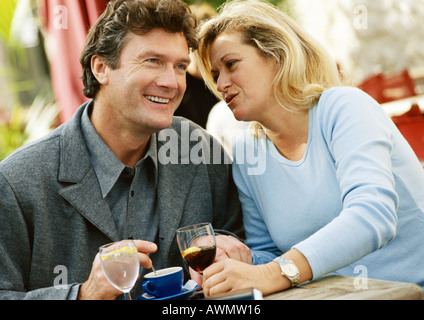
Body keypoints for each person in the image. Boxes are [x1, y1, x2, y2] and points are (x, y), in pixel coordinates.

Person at [0, 0, 248, 300]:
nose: (171, 82)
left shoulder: (199, 149)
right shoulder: (16, 183)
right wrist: (84, 294)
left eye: (180, 66)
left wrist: (229, 252)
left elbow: (235, 236)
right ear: (101, 68)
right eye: (153, 61)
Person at [196, 0, 424, 296]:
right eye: (215, 75)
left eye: (230, 64)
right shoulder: (246, 151)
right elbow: (269, 253)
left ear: (276, 55)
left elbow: (374, 215)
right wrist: (242, 260)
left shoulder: (343, 108)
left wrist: (270, 272)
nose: (221, 84)